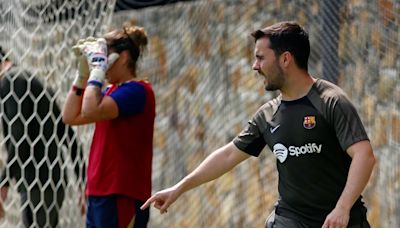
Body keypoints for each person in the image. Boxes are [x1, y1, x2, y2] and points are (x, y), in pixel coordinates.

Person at [140, 21, 376, 228]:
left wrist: (343, 208)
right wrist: (178, 188)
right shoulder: (268, 114)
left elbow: (364, 156)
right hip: (290, 219)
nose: (254, 66)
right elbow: (228, 155)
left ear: (285, 59)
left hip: (340, 220)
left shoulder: (330, 101)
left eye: (261, 58)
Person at [62, 23, 155, 228]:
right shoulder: (112, 91)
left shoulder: (138, 91)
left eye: (105, 56)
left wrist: (96, 72)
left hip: (121, 195)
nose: (102, 64)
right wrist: (83, 75)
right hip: (99, 193)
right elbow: (70, 116)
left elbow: (91, 110)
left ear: (122, 57)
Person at [0, 46, 86, 227]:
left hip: (37, 184)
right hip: (51, 183)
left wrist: (4, 182)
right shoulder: (33, 81)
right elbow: (68, 136)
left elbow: (19, 138)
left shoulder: (11, 81)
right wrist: (82, 181)